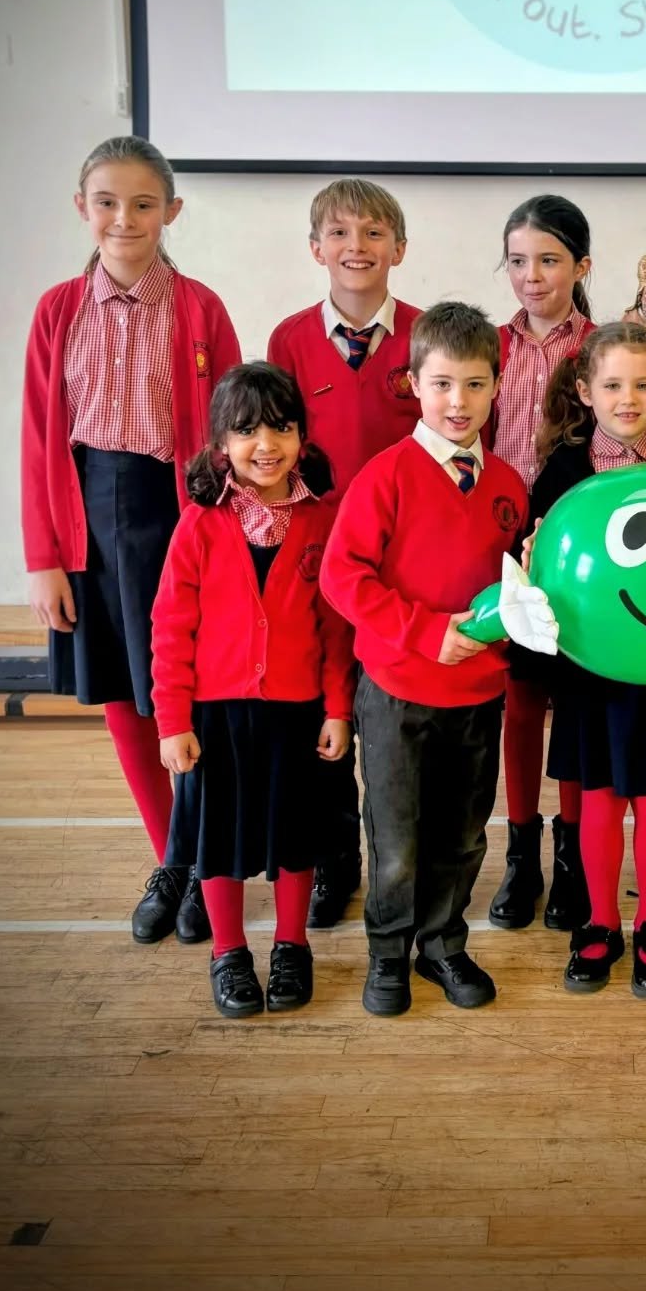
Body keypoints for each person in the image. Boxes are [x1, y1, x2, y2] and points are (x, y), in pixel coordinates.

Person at [21, 136, 240, 945]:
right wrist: (45, 556)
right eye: (107, 201)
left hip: (178, 516)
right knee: (124, 697)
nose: (125, 217)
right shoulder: (56, 310)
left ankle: (197, 855)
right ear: (83, 208)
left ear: (171, 212)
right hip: (90, 523)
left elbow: (230, 433)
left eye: (144, 203)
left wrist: (225, 533)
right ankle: (170, 860)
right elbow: (38, 439)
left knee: (185, 697)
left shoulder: (200, 308)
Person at [320, 302, 527, 1016]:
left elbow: (514, 584)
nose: (458, 401)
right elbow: (343, 577)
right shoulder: (386, 476)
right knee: (398, 840)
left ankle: (443, 943)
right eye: (441, 384)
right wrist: (424, 631)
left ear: (496, 386)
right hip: (398, 691)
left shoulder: (506, 486)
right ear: (412, 383)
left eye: (474, 385)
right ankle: (388, 954)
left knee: (463, 835)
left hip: (478, 694)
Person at [152, 364, 356, 1019]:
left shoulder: (321, 521)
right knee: (220, 842)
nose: (266, 444)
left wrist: (337, 709)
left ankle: (291, 946)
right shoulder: (200, 525)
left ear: (302, 438)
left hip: (297, 713)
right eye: (247, 431)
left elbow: (334, 628)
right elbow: (170, 627)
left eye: (283, 428)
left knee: (295, 836)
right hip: (215, 716)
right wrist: (171, 721)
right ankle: (229, 952)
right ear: (222, 444)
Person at [529, 323, 646, 999]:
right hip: (590, 670)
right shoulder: (564, 469)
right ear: (585, 391)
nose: (627, 398)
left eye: (642, 384)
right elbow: (543, 564)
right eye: (612, 384)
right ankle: (600, 921)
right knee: (601, 795)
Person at [266, 178, 421, 930]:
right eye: (339, 233)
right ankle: (335, 861)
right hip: (320, 562)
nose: (355, 246)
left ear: (399, 247)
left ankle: (402, 859)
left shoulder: (426, 334)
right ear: (315, 248)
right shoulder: (289, 340)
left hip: (407, 563)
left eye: (372, 233)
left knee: (395, 721)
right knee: (326, 720)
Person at [487, 195, 595, 932]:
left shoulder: (604, 348)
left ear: (582, 267)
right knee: (521, 704)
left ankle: (574, 859)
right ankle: (521, 852)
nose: (532, 276)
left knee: (578, 708)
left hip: (582, 548)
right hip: (503, 540)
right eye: (519, 261)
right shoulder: (489, 346)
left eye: (550, 260)